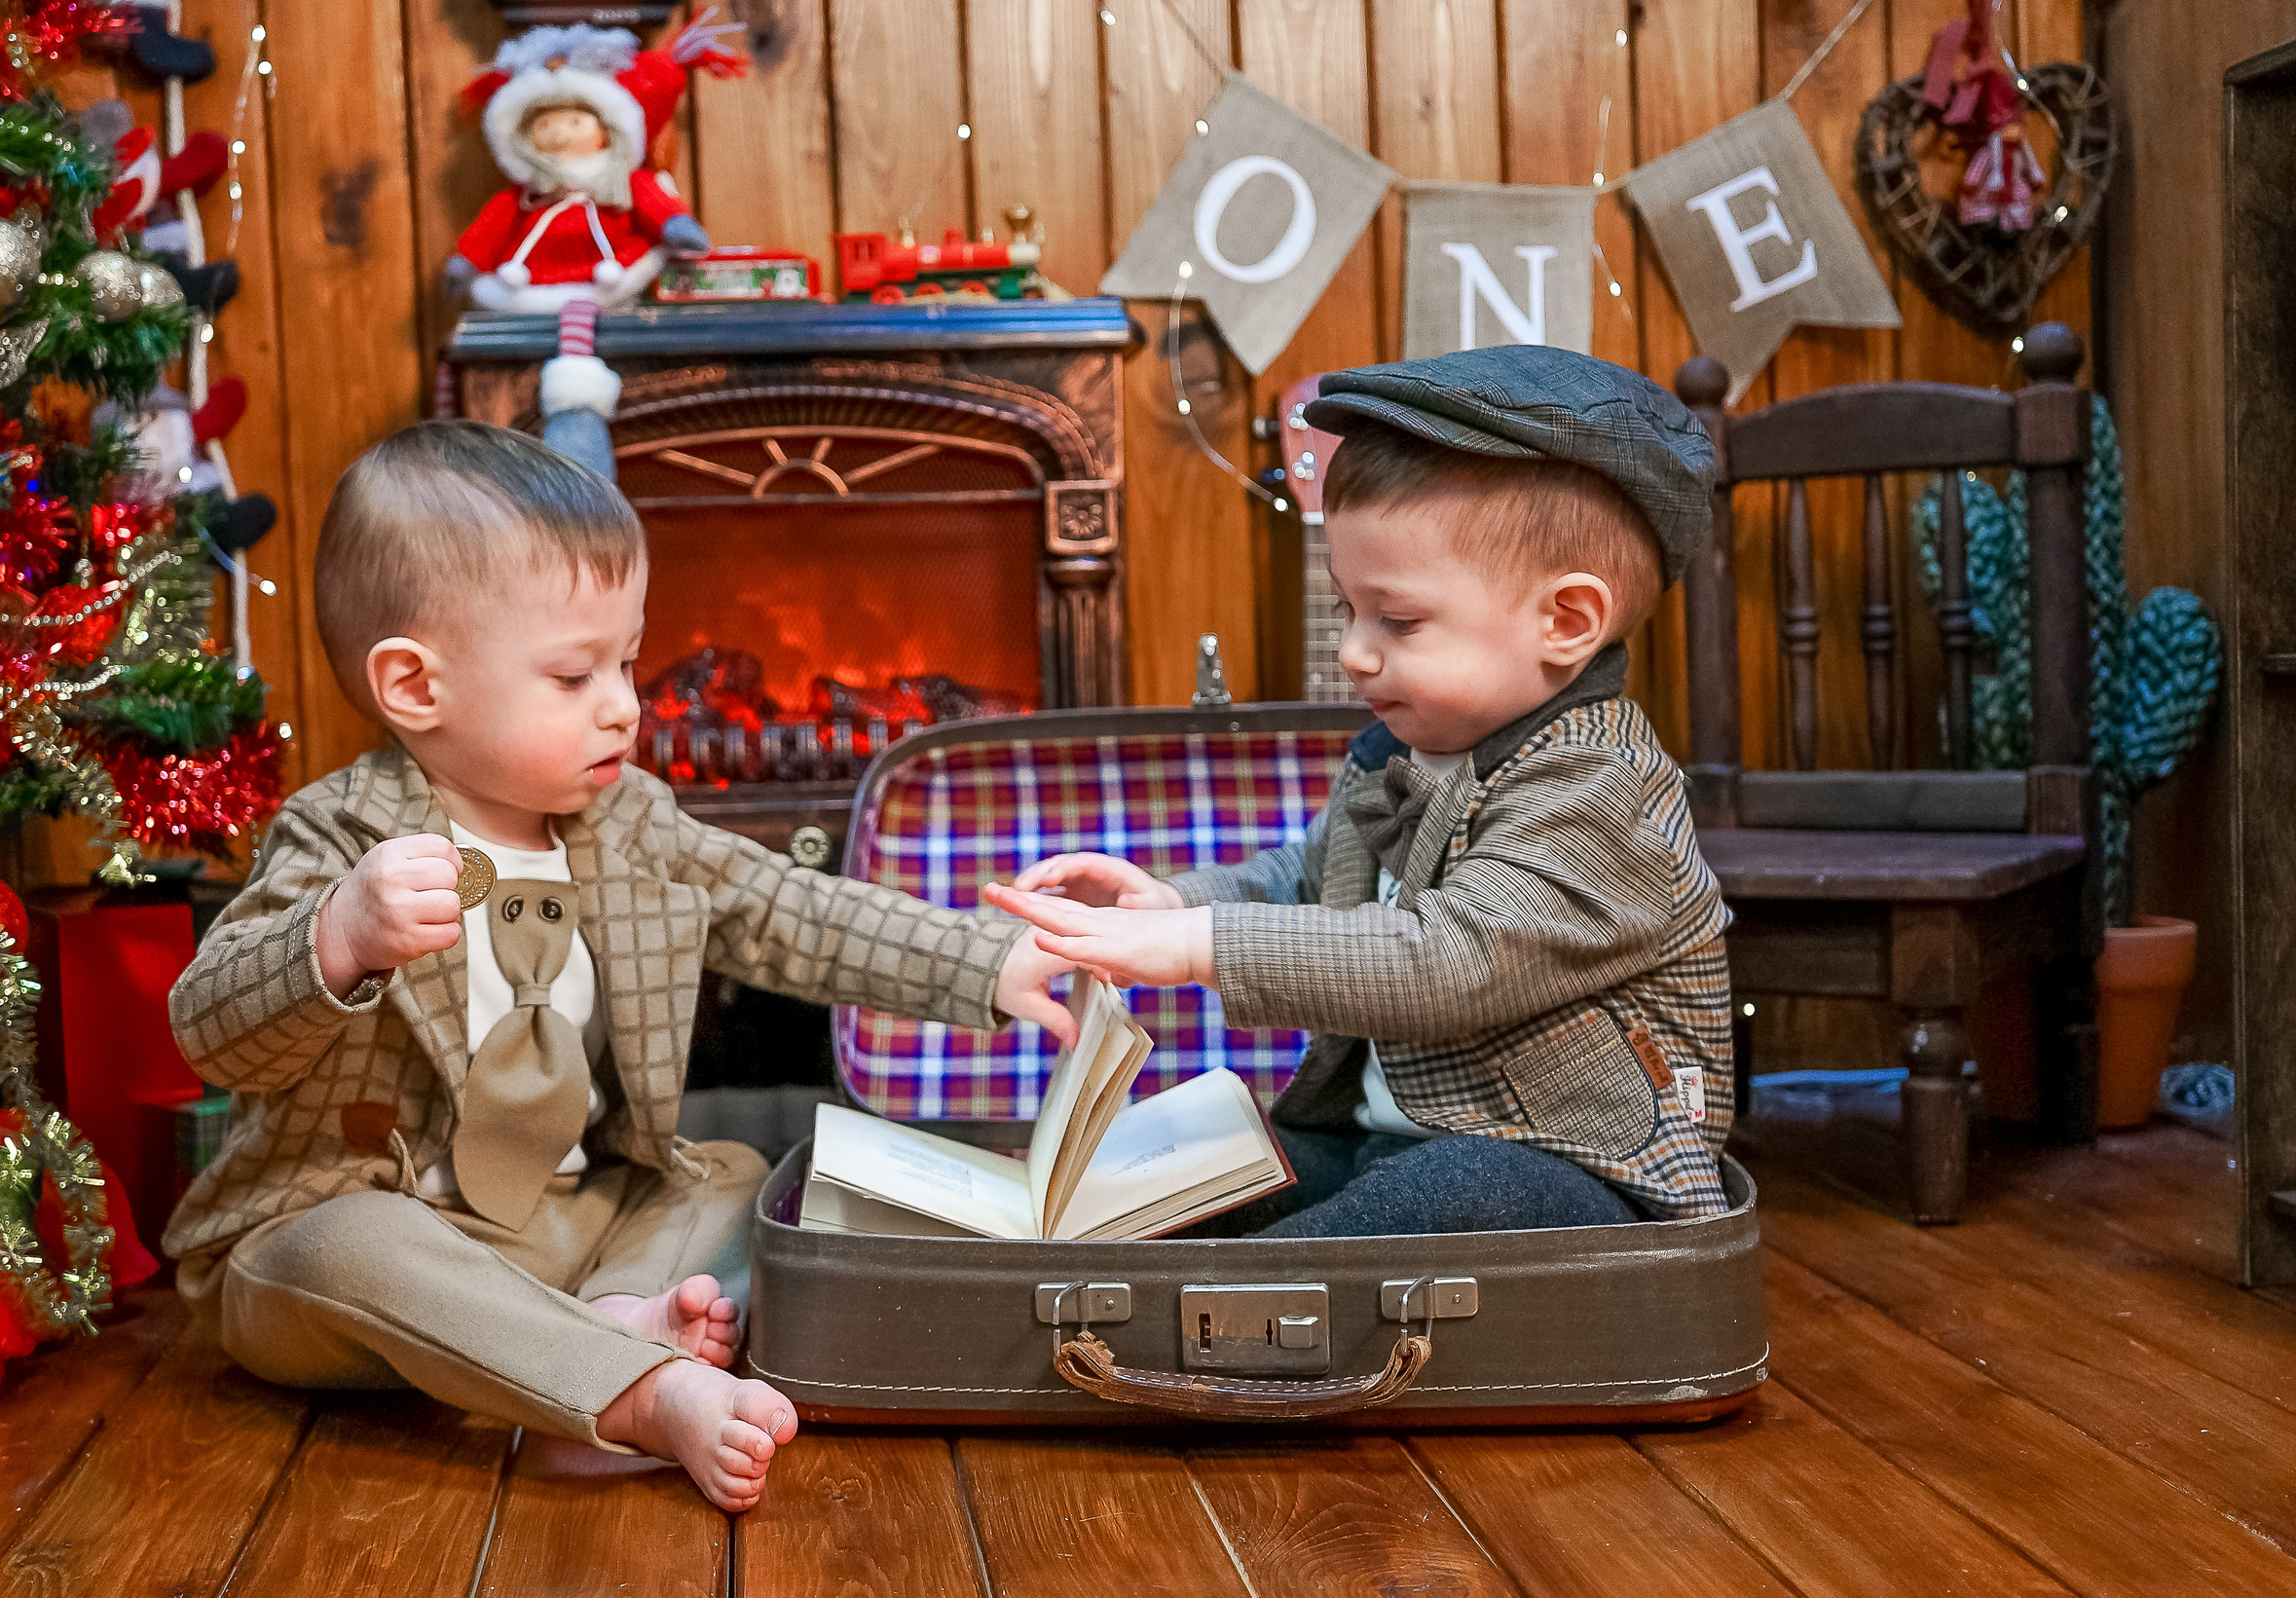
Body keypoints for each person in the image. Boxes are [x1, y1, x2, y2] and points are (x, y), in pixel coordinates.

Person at [165, 421, 1074, 1510]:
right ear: (415, 686)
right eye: (572, 675)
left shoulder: (625, 819)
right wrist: (335, 937)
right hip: (363, 1246)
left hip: (564, 1222)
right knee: (352, 1244)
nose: (624, 705)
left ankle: (615, 1316)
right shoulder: (340, 838)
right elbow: (210, 1030)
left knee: (731, 1171)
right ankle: (634, 1386)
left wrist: (985, 960)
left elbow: (781, 906)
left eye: (628, 662)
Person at [989, 347, 1735, 1237]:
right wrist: (1173, 903)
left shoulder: (1600, 788)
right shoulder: (1400, 751)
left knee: (1444, 1196)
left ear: (1565, 622)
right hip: (1386, 1138)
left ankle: (1252, 1297)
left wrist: (1195, 946)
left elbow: (1448, 961)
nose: (1353, 651)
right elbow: (1310, 878)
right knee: (1197, 1171)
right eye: (1348, 609)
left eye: (1399, 620)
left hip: (1573, 1168)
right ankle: (1125, 1268)